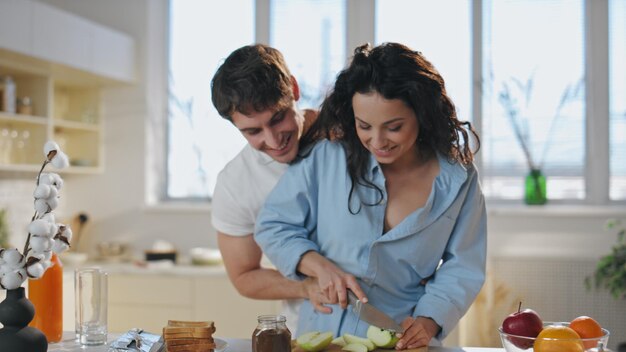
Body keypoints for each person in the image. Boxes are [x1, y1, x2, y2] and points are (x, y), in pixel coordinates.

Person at [254, 42, 487, 349]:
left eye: (394, 127)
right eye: (364, 125)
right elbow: (273, 225)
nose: (377, 141)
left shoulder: (459, 181)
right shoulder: (328, 157)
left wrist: (430, 320)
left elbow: (463, 266)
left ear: (422, 114)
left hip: (402, 339)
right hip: (322, 336)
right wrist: (319, 266)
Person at [210, 44, 327, 334]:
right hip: (311, 330)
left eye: (278, 118)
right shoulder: (235, 184)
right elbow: (244, 276)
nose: (274, 141)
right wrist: (308, 286)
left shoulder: (353, 135)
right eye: (253, 131)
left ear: (294, 88)